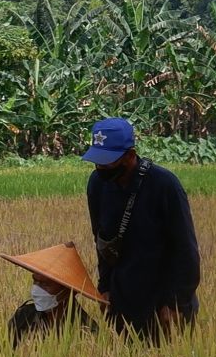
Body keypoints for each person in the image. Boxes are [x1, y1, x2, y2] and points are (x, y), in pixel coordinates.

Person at [83, 117, 201, 342]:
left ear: (130, 155)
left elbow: (186, 250)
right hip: (123, 300)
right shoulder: (97, 184)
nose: (101, 168)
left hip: (163, 302)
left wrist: (176, 302)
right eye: (97, 162)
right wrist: (104, 286)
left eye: (107, 162)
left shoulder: (164, 185)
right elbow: (101, 240)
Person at [1, 242, 103, 349]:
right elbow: (4, 354)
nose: (37, 289)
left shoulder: (87, 330)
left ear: (69, 291)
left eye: (46, 284)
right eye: (35, 281)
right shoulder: (24, 315)